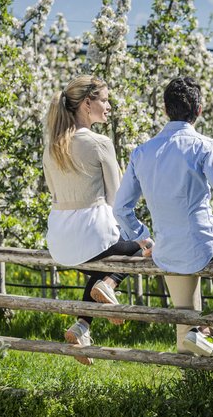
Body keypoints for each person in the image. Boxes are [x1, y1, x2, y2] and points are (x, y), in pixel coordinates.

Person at [113, 76, 213, 356]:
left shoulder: (142, 153)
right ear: (199, 110)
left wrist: (142, 238)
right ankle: (209, 331)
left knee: (184, 321)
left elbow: (121, 208)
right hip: (205, 242)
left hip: (166, 247)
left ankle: (193, 363)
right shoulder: (205, 146)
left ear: (164, 109)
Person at [43, 74, 154, 365]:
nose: (108, 106)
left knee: (99, 267)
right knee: (141, 248)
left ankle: (82, 326)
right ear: (87, 103)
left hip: (59, 240)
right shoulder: (99, 143)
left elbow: (54, 193)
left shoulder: (52, 146)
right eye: (104, 100)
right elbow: (118, 203)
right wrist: (143, 237)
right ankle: (111, 283)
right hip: (94, 232)